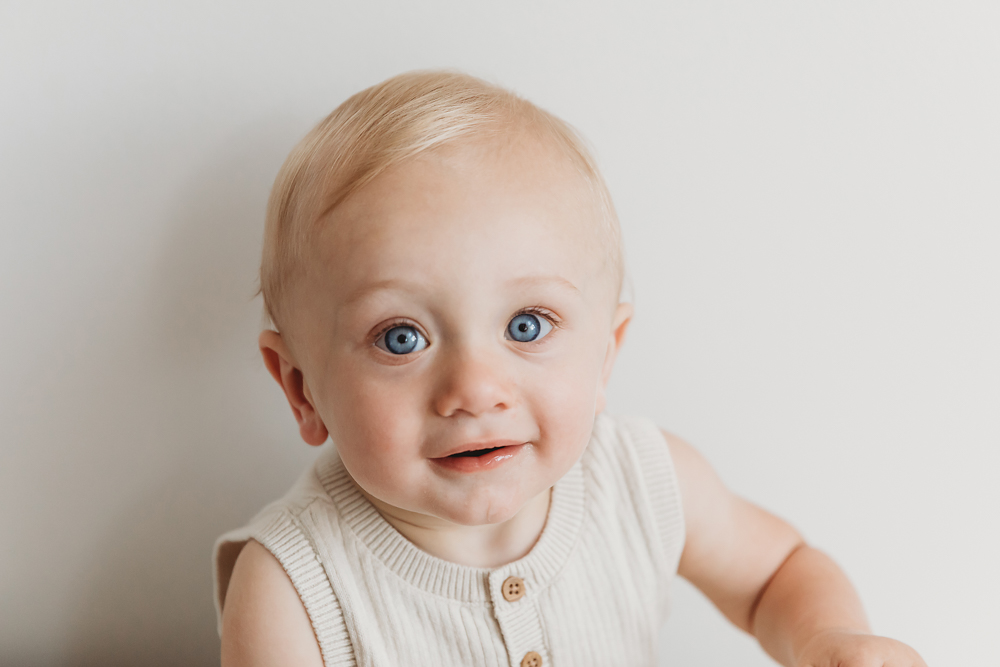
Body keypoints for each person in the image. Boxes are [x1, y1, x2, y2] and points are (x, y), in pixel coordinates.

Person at [213, 70, 926, 667]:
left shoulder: (642, 479)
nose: (475, 390)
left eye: (526, 326)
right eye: (402, 338)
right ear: (301, 388)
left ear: (607, 351)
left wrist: (829, 638)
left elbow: (774, 575)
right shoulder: (291, 587)